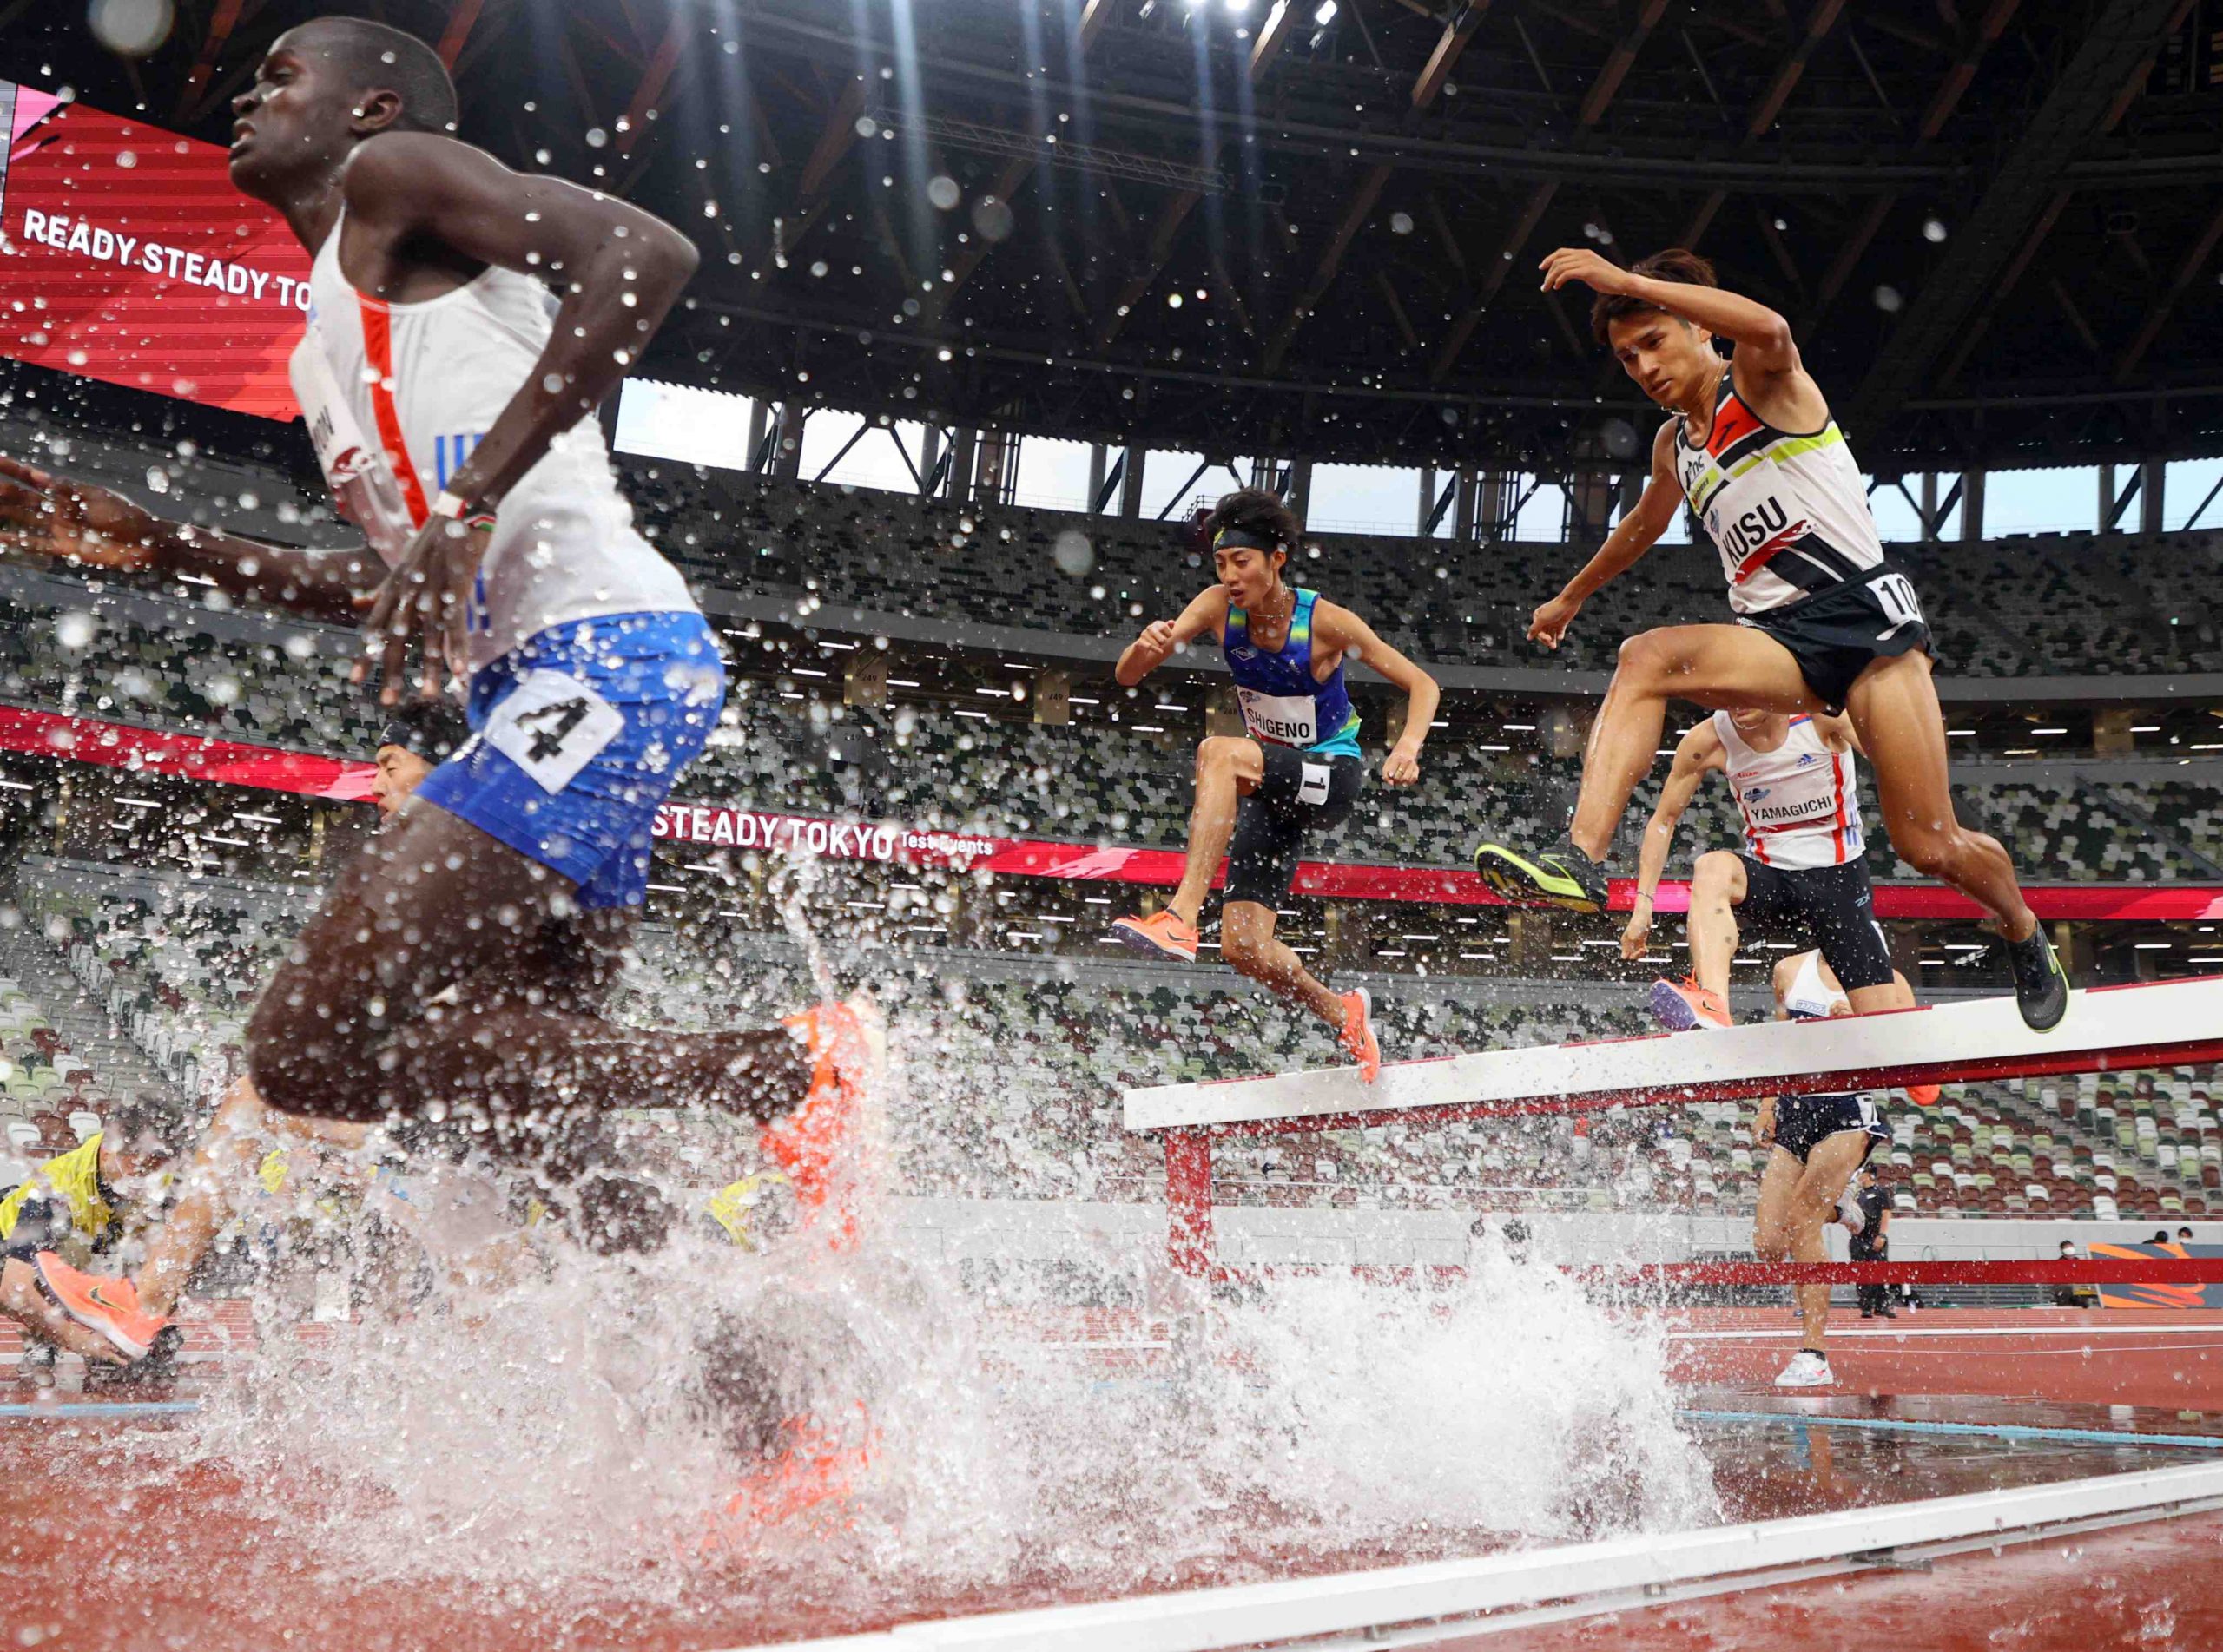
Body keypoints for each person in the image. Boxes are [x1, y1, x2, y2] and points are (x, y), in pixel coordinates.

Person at [0, 18, 878, 1170]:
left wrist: (467, 498)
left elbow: (646, 254)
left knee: (308, 1047)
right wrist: (169, 544)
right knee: (541, 1120)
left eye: (282, 78)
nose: (246, 101)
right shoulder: (321, 344)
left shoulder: (391, 176)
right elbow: (390, 572)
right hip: (536, 687)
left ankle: (784, 1066)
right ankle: (718, 1335)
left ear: (370, 110)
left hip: (608, 659)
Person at [1470, 247, 2068, 1033]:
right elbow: (1645, 524)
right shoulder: (1674, 446)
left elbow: (1775, 327)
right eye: (1626, 357)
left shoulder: (1760, 383)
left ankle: (2023, 930)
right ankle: (1580, 857)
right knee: (1644, 657)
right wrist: (1569, 598)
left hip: (1865, 625)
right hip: (1779, 639)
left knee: (1932, 844)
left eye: (1654, 341)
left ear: (1698, 327)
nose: (1642, 366)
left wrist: (1626, 282)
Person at [1105, 488, 1440, 1083]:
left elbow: (1422, 684)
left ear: (1276, 559)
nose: (1230, 576)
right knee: (1243, 946)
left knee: (1219, 751)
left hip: (1331, 776)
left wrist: (1409, 745)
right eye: (1220, 564)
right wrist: (1144, 647)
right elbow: (1128, 675)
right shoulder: (1215, 607)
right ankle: (1345, 1012)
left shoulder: (1325, 621)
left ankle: (1181, 915)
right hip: (1272, 784)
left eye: (1243, 562)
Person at [1622, 704, 1939, 1105]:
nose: (1741, 710)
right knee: (1712, 867)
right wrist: (1642, 907)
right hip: (1776, 881)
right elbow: (1663, 821)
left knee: (1883, 1039)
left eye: (1750, 696)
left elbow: (1900, 763)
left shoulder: (1825, 717)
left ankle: (1908, 1060)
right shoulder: (1709, 739)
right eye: (1728, 697)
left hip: (1839, 885)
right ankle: (1713, 1003)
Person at [1755, 947, 1891, 1388]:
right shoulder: (1788, 970)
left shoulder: (1882, 977)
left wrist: (1854, 1029)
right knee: (1768, 1244)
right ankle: (1841, 1208)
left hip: (1847, 1110)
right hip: (1796, 1109)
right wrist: (1767, 1105)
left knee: (1801, 1220)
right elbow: (1780, 1046)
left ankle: (1814, 1353)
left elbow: (1902, 1056)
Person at [0, 1114, 180, 1364]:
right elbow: (13, 1289)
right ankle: (41, 1341)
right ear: (107, 1152)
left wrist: (148, 1318)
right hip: (8, 1251)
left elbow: (168, 1258)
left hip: (97, 1241)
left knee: (177, 1252)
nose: (143, 1177)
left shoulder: (161, 1178)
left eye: (154, 1167)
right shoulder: (54, 1186)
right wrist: (77, 1341)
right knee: (71, 1249)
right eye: (136, 1167)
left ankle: (126, 1330)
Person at [1843, 1163, 1892, 1319]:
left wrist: (1882, 1235)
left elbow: (1885, 1214)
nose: (1858, 1177)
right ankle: (1865, 1305)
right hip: (1859, 1238)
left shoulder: (1880, 1192)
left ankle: (1881, 1305)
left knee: (1879, 1271)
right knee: (1861, 1272)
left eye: (1861, 1173)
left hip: (1875, 1237)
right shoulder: (1857, 1194)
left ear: (1870, 1174)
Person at [2052, 1238, 2096, 1309]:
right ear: (2062, 1250)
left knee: (2088, 1289)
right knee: (2071, 1288)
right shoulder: (2059, 1263)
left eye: (2071, 1247)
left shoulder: (2078, 1262)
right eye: (2067, 1248)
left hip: (2077, 1287)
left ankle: (2085, 1306)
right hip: (2063, 1288)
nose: (2070, 1249)